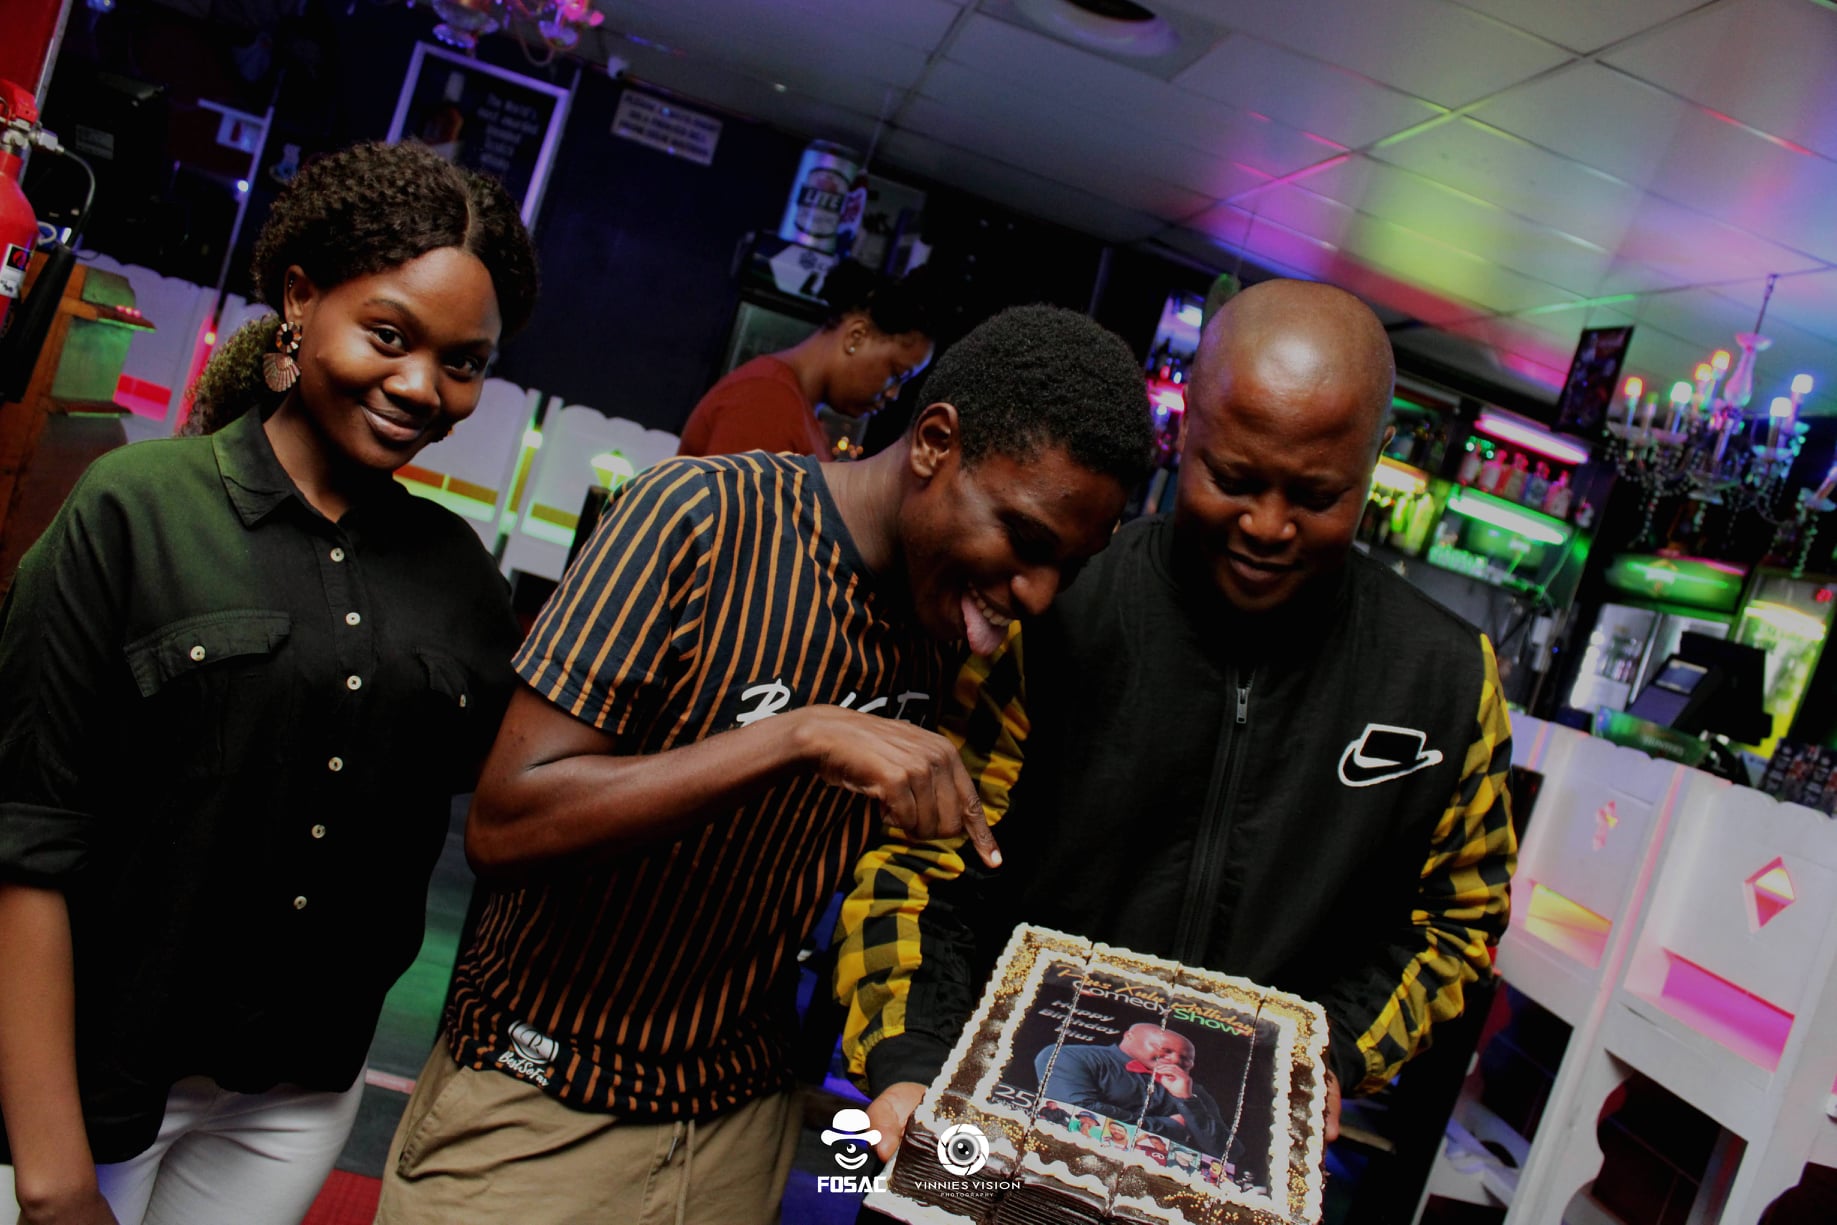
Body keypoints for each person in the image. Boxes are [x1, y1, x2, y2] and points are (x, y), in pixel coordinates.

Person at [374, 304, 1155, 1225]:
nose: (1037, 592)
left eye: (1068, 566)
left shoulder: (948, 625)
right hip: (541, 1095)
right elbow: (506, 823)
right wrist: (795, 735)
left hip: (739, 1118)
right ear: (933, 443)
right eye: (1023, 540)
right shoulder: (697, 516)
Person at [837, 279, 1516, 1165]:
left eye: (1316, 496)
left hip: (1224, 1153)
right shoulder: (1054, 607)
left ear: (1375, 459)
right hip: (989, 1116)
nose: (1266, 525)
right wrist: (915, 1061)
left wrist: (1330, 1052)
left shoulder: (1445, 677)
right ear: (1183, 426)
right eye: (1232, 479)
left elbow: (1455, 922)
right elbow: (926, 860)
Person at [0, 139, 538, 1225]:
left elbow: (515, 807)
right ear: (300, 298)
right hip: (86, 1081)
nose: (422, 387)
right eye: (389, 335)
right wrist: (52, 1175)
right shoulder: (136, 507)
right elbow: (25, 834)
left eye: (465, 362)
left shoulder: (460, 580)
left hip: (293, 1104)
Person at [675, 261, 935, 458]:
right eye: (896, 374)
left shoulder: (798, 411)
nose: (893, 394)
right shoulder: (766, 402)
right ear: (856, 336)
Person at [1034, 1025, 1226, 1156]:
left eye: (1186, 1059)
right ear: (1129, 1036)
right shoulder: (1069, 1056)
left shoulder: (1192, 1091)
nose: (1176, 1060)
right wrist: (1169, 1127)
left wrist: (1187, 1100)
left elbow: (1224, 1152)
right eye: (1164, 1050)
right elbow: (1077, 1113)